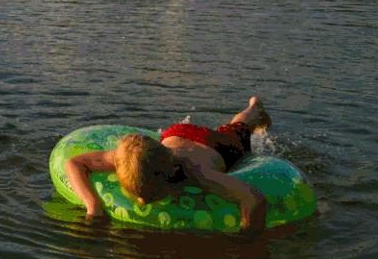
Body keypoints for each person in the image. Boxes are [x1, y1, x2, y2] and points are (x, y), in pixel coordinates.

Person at [63, 96, 272, 234]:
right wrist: (93, 206)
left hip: (216, 145)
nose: (142, 201)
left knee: (237, 130)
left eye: (150, 195)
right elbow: (74, 163)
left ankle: (254, 108)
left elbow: (253, 198)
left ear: (170, 176)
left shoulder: (198, 173)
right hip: (176, 133)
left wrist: (245, 241)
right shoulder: (124, 158)